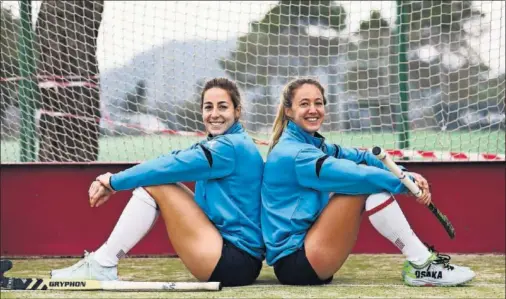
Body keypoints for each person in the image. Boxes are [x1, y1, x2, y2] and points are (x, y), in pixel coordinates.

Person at [260, 77, 475, 286]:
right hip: (297, 262)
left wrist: (405, 174)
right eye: (304, 104)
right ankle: (421, 264)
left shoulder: (313, 144)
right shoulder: (297, 154)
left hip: (307, 250)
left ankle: (420, 262)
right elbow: (357, 175)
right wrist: (404, 184)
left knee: (370, 187)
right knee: (362, 187)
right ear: (289, 111)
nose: (313, 109)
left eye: (318, 103)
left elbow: (362, 156)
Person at [51, 78, 265, 287]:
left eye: (223, 107)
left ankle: (103, 264)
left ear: (237, 111)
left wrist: (113, 182)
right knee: (158, 182)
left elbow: (169, 167)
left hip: (233, 262)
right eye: (208, 107)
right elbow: (173, 158)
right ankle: (103, 263)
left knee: (156, 183)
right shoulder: (221, 143)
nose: (214, 114)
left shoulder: (228, 148)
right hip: (233, 255)